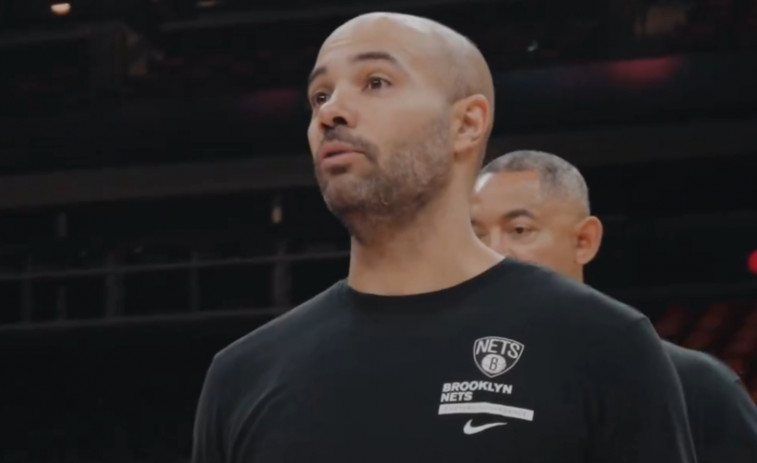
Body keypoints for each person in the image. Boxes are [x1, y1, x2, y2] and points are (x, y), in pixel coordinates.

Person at [191, 13, 695, 463]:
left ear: (466, 124)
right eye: (319, 96)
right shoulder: (242, 376)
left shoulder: (603, 343)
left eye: (376, 82)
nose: (331, 111)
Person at [471, 149, 757, 462]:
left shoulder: (692, 383)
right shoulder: (436, 374)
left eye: (520, 230)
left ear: (584, 241)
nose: (492, 252)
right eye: (476, 234)